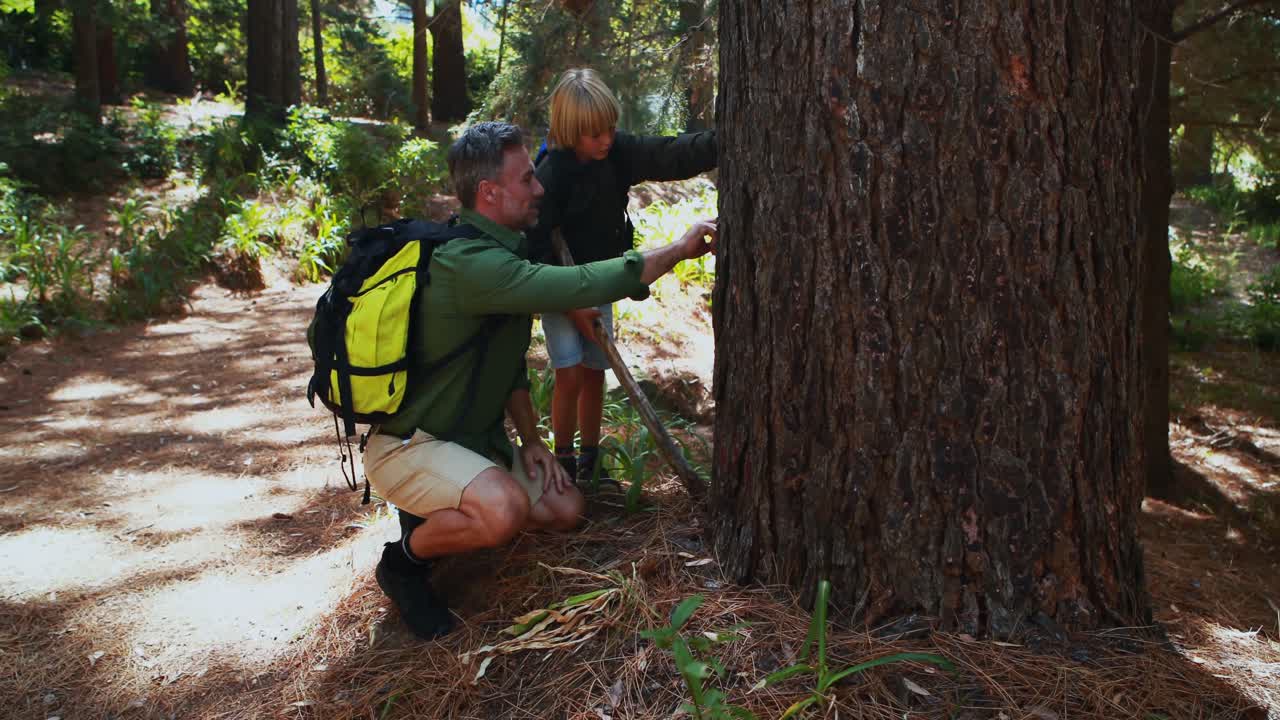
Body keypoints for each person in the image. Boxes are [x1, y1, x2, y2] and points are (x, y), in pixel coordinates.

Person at [364, 121, 716, 639]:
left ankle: (451, 508)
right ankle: (404, 562)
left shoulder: (501, 251)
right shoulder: (472, 265)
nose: (540, 188)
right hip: (409, 446)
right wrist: (676, 250)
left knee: (565, 507)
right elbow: (579, 283)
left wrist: (531, 441)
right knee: (503, 511)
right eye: (527, 179)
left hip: (472, 444)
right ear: (489, 193)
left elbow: (507, 365)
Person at [528, 68, 717, 488]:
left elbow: (668, 154)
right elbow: (536, 248)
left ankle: (591, 466)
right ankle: (565, 462)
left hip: (603, 281)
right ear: (570, 130)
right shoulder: (551, 175)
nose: (607, 140)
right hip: (558, 286)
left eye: (610, 129)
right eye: (595, 135)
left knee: (597, 369)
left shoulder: (615, 154)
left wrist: (719, 144)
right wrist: (572, 304)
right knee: (570, 372)